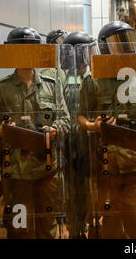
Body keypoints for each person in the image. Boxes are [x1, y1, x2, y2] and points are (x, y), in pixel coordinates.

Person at [78, 21, 136, 238]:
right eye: (120, 42)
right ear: (105, 47)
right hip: (105, 164)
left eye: (128, 40)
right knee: (109, 223)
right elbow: (80, 115)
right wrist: (93, 126)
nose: (127, 47)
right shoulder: (94, 79)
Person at [0, 27, 70, 238]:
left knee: (47, 227)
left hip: (46, 169)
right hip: (17, 173)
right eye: (21, 49)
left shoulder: (51, 86)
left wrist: (55, 130)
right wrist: (3, 130)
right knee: (20, 228)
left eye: (31, 49)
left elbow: (65, 119)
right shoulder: (1, 89)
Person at [61, 31, 95, 238]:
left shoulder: (85, 76)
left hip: (87, 141)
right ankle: (77, 229)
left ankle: (85, 225)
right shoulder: (69, 80)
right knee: (76, 191)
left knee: (87, 189)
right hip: (75, 144)